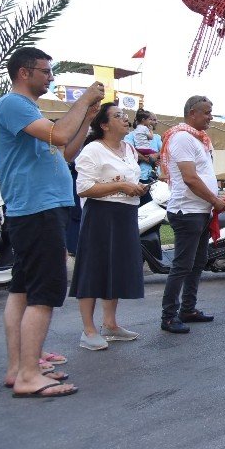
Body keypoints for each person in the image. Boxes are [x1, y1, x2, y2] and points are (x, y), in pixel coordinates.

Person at [0, 46, 104, 397]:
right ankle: (27, 376)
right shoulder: (12, 105)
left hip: (38, 208)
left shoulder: (28, 110)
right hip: (37, 209)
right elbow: (58, 135)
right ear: (24, 72)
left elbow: (66, 151)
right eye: (45, 71)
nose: (51, 77)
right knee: (44, 290)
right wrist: (83, 98)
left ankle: (19, 368)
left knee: (23, 289)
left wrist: (87, 115)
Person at [70, 102, 147, 350]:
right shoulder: (93, 150)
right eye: (118, 116)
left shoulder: (130, 149)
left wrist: (136, 187)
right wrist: (121, 186)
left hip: (126, 212)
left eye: (125, 115)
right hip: (101, 214)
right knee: (93, 269)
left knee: (116, 268)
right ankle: (88, 330)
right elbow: (83, 188)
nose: (125, 119)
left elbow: (129, 180)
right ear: (104, 125)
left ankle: (110, 325)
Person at [158, 95, 225, 334]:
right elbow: (190, 178)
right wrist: (215, 200)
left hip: (199, 211)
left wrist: (212, 203)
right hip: (186, 211)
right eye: (207, 112)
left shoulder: (199, 140)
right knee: (182, 265)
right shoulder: (182, 138)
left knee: (197, 263)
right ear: (192, 113)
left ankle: (187, 309)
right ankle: (168, 316)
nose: (211, 117)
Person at [124, 109, 162, 205]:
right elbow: (129, 151)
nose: (155, 122)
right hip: (136, 179)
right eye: (152, 119)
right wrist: (148, 159)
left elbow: (164, 152)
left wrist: (156, 155)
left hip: (153, 179)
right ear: (143, 120)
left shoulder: (156, 137)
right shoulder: (130, 135)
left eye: (155, 120)